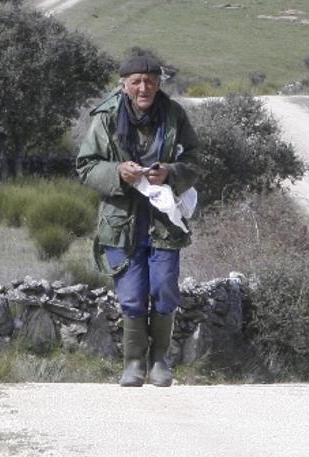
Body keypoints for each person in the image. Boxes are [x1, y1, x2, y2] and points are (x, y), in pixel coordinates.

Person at [76, 54, 200, 387]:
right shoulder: (105, 118)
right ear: (124, 85)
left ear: (159, 83)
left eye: (150, 80)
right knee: (131, 294)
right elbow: (86, 166)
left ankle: (159, 360)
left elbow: (194, 158)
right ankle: (133, 363)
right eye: (136, 81)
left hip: (164, 220)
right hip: (121, 220)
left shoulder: (174, 115)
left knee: (164, 288)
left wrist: (170, 173)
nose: (143, 87)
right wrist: (117, 171)